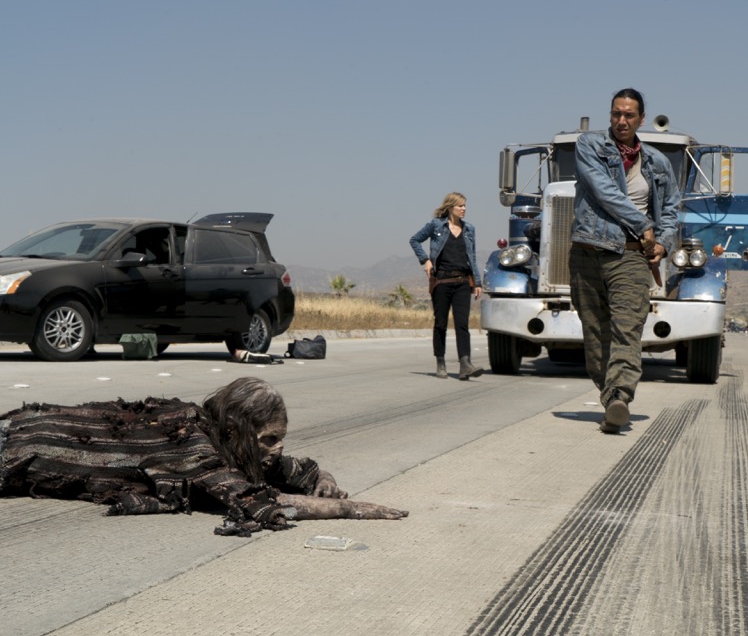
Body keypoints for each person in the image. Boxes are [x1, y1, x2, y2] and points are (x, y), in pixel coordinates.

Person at [0, 377, 408, 536]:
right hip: (14, 446)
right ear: (236, 431)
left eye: (280, 439)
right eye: (267, 440)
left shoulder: (228, 441)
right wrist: (351, 510)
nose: (276, 450)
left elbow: (299, 469)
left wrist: (325, 482)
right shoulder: (190, 442)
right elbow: (255, 499)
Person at [569, 88, 681, 434]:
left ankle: (620, 397)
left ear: (641, 119)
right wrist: (643, 224)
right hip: (587, 251)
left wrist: (661, 241)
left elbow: (673, 206)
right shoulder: (590, 146)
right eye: (616, 114)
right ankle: (610, 397)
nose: (622, 121)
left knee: (627, 329)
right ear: (610, 115)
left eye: (629, 115)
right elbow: (603, 191)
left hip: (632, 257)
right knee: (595, 333)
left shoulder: (658, 163)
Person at [409, 191, 484, 380]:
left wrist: (477, 282)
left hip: (462, 282)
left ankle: (465, 364)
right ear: (450, 207)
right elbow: (415, 239)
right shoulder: (436, 225)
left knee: (462, 324)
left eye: (465, 206)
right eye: (460, 206)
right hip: (441, 282)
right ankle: (440, 362)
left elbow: (472, 257)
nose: (464, 209)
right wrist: (425, 260)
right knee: (440, 324)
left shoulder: (469, 229)